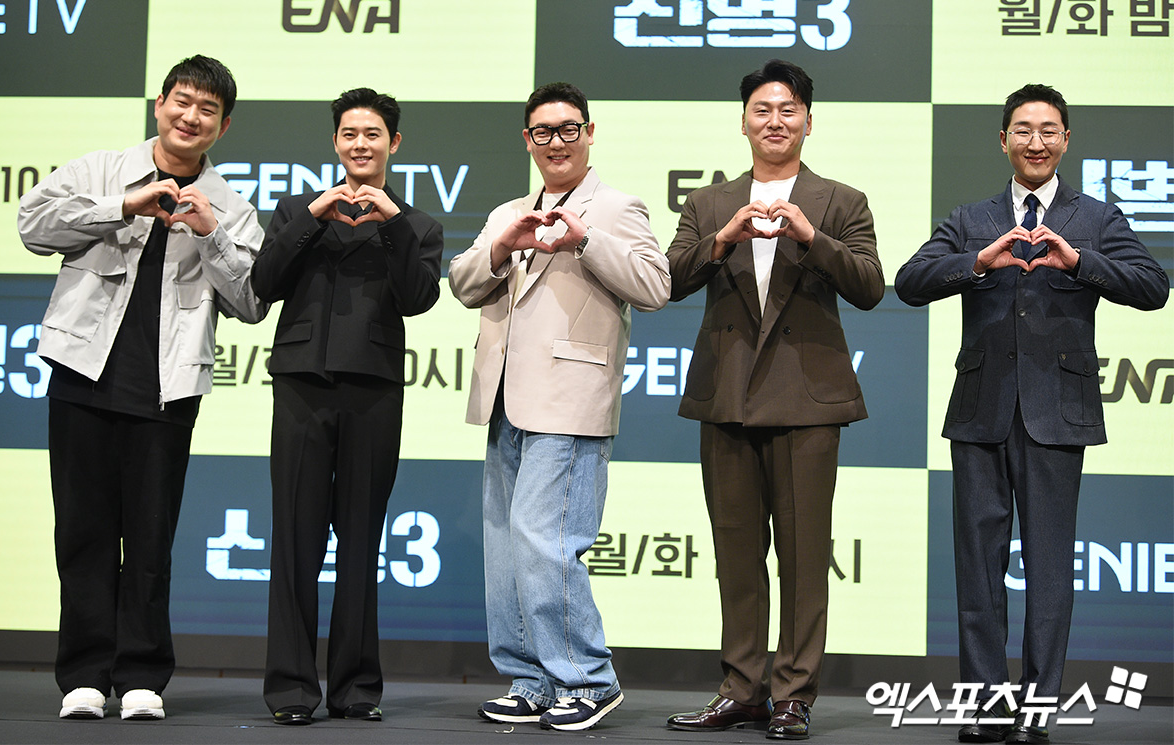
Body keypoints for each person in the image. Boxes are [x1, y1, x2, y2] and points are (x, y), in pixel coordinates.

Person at [895, 84, 1168, 745]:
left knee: (1048, 570)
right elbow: (908, 281)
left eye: (1048, 130)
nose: (1036, 141)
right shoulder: (972, 218)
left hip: (1057, 413)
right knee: (977, 569)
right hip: (980, 410)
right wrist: (975, 262)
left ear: (1066, 140)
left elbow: (1153, 287)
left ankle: (1037, 709)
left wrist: (1080, 262)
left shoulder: (1096, 218)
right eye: (1023, 129)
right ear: (1003, 140)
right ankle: (987, 708)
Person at [16, 55, 265, 721]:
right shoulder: (100, 170)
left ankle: (142, 676)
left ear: (223, 126)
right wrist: (122, 204)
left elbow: (250, 301)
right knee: (83, 534)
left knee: (151, 541)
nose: (191, 116)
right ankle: (83, 677)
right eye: (182, 101)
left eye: (207, 109)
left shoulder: (232, 207)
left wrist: (211, 235)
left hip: (167, 391)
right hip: (81, 376)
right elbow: (32, 226)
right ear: (160, 105)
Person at [664, 59, 883, 741]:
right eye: (762, 110)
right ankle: (741, 689)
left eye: (788, 109)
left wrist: (812, 238)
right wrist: (722, 239)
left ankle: (792, 693)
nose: (775, 121)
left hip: (806, 401)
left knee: (803, 556)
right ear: (743, 123)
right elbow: (667, 279)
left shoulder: (840, 200)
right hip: (726, 396)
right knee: (735, 554)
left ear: (808, 121)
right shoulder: (709, 203)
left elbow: (870, 285)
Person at [448, 82, 670, 732]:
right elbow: (462, 282)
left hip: (571, 401)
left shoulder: (616, 207)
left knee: (547, 541)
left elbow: (656, 286)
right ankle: (532, 679)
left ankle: (588, 678)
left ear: (589, 133)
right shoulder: (509, 211)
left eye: (568, 128)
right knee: (506, 547)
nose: (556, 142)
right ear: (528, 140)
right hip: (504, 400)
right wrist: (500, 246)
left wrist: (584, 240)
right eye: (543, 131)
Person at [252, 88, 443, 726]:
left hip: (373, 390)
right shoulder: (295, 211)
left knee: (361, 541)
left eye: (373, 134)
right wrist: (313, 215)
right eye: (350, 133)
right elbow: (264, 283)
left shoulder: (416, 224)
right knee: (295, 539)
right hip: (301, 385)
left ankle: (356, 688)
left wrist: (390, 225)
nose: (361, 144)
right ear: (335, 142)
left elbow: (418, 299)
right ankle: (290, 689)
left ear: (394, 143)